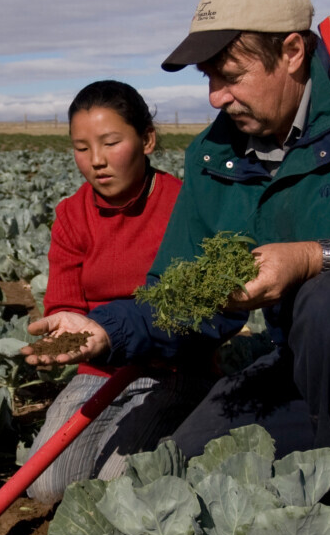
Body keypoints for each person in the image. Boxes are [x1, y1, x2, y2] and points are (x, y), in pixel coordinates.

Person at [26, 0, 330, 528]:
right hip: (308, 365)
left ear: (293, 52)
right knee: (191, 469)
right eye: (209, 78)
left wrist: (317, 257)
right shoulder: (217, 154)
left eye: (230, 76)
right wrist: (110, 330)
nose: (215, 97)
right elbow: (180, 298)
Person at [21, 81, 210, 504]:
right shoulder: (72, 215)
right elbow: (66, 303)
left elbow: (196, 314)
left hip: (174, 370)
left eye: (110, 143)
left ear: (147, 139)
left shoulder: (183, 206)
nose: (97, 161)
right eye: (82, 148)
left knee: (114, 488)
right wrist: (68, 333)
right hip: (100, 369)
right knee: (48, 486)